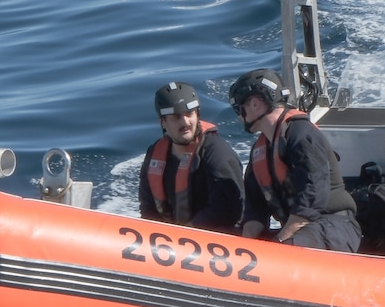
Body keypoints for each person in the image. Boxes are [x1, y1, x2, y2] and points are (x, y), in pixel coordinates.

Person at [229, 68, 361, 252]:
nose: (238, 116)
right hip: (298, 229)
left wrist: (280, 240)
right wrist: (240, 250)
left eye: (238, 108)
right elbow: (255, 211)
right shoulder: (260, 150)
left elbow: (311, 200)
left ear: (254, 104)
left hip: (333, 226)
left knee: (284, 250)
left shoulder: (302, 135)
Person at [138, 81, 244, 232]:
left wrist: (184, 233)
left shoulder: (218, 154)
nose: (185, 122)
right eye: (176, 117)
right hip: (170, 241)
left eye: (189, 114)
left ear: (197, 115)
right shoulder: (154, 153)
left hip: (214, 238)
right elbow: (148, 207)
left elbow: (227, 212)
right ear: (162, 122)